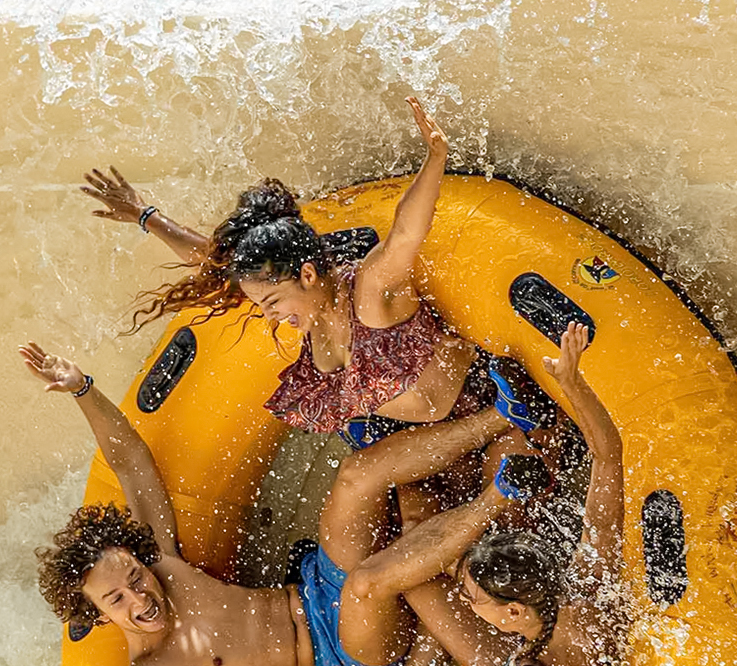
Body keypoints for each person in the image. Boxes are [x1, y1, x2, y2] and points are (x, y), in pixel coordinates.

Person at [0, 342, 555, 666]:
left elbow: (131, 463)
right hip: (346, 661)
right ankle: (498, 497)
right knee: (369, 586)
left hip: (315, 587)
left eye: (134, 578)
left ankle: (504, 416)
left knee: (357, 476)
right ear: (95, 614)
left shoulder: (162, 563)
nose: (140, 597)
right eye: (117, 599)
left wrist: (82, 388)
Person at [81, 97, 485, 450]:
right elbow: (212, 262)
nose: (269, 314)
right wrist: (144, 215)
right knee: (389, 493)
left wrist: (436, 157)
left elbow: (405, 234)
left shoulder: (370, 291)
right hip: (406, 433)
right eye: (262, 304)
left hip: (472, 408)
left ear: (308, 275)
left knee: (362, 481)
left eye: (271, 302)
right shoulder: (311, 310)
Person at [331, 323, 631, 666]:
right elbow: (607, 455)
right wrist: (571, 383)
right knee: (417, 567)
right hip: (541, 647)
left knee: (414, 576)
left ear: (512, 612)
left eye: (471, 598)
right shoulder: (589, 577)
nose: (464, 601)